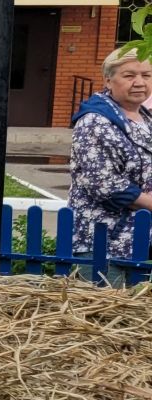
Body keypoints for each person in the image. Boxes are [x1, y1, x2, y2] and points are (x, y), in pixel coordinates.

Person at [69, 46, 152, 262]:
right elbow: (105, 186)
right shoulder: (95, 121)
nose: (140, 82)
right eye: (129, 75)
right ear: (108, 81)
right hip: (103, 242)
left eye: (146, 75)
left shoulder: (146, 120)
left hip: (139, 240)